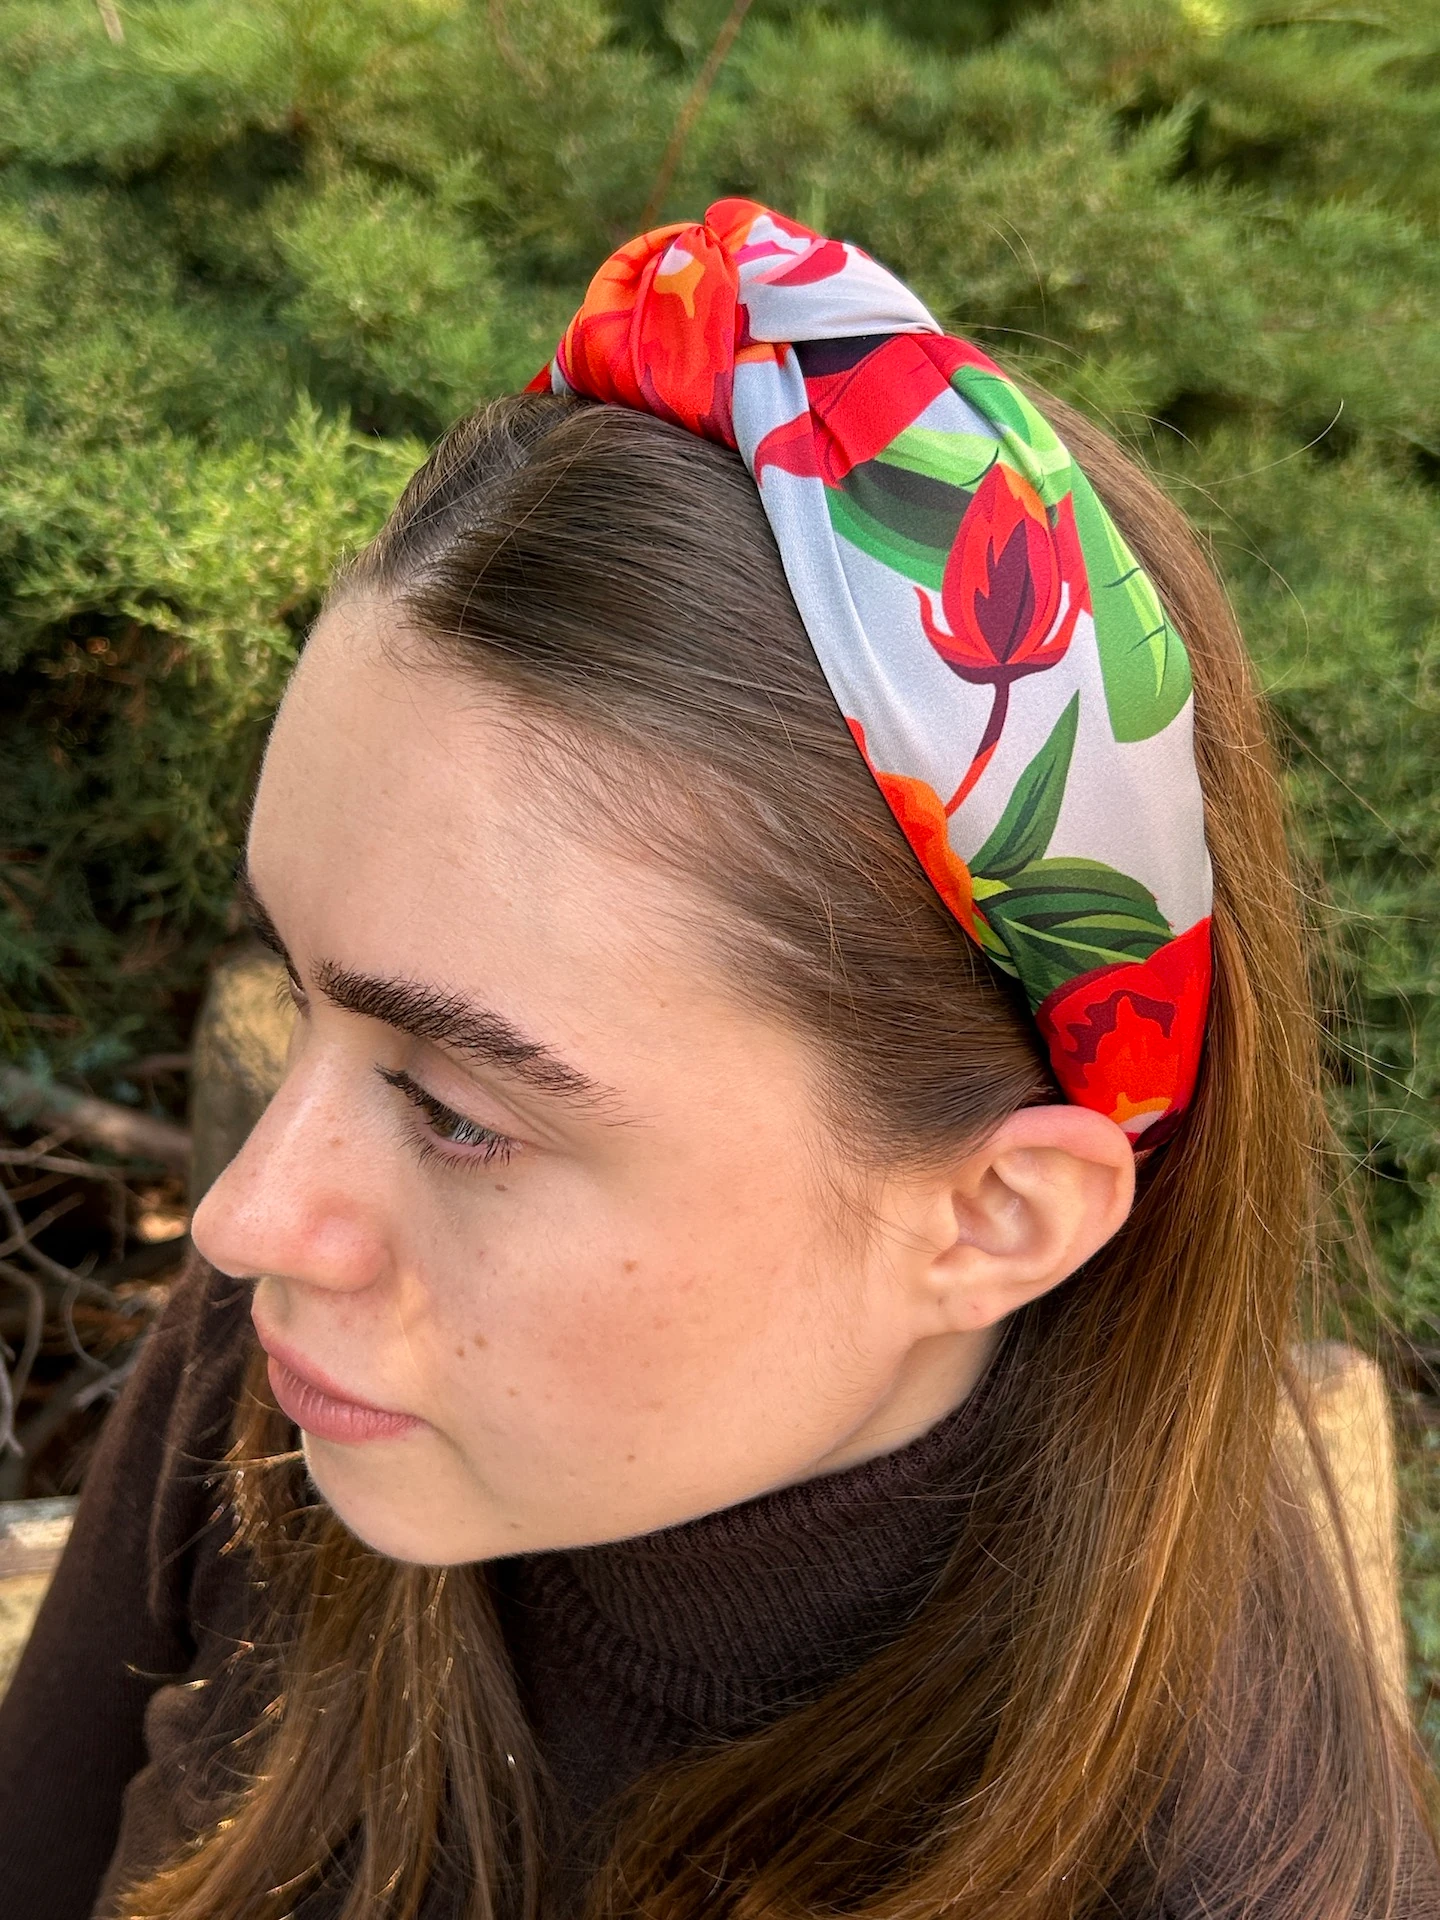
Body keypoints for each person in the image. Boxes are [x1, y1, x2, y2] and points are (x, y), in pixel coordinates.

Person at [0, 200, 1434, 1920]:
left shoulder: (1214, 1879)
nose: (245, 1221)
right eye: (302, 989)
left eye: (455, 1114)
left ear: (993, 1217)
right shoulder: (296, 1381)